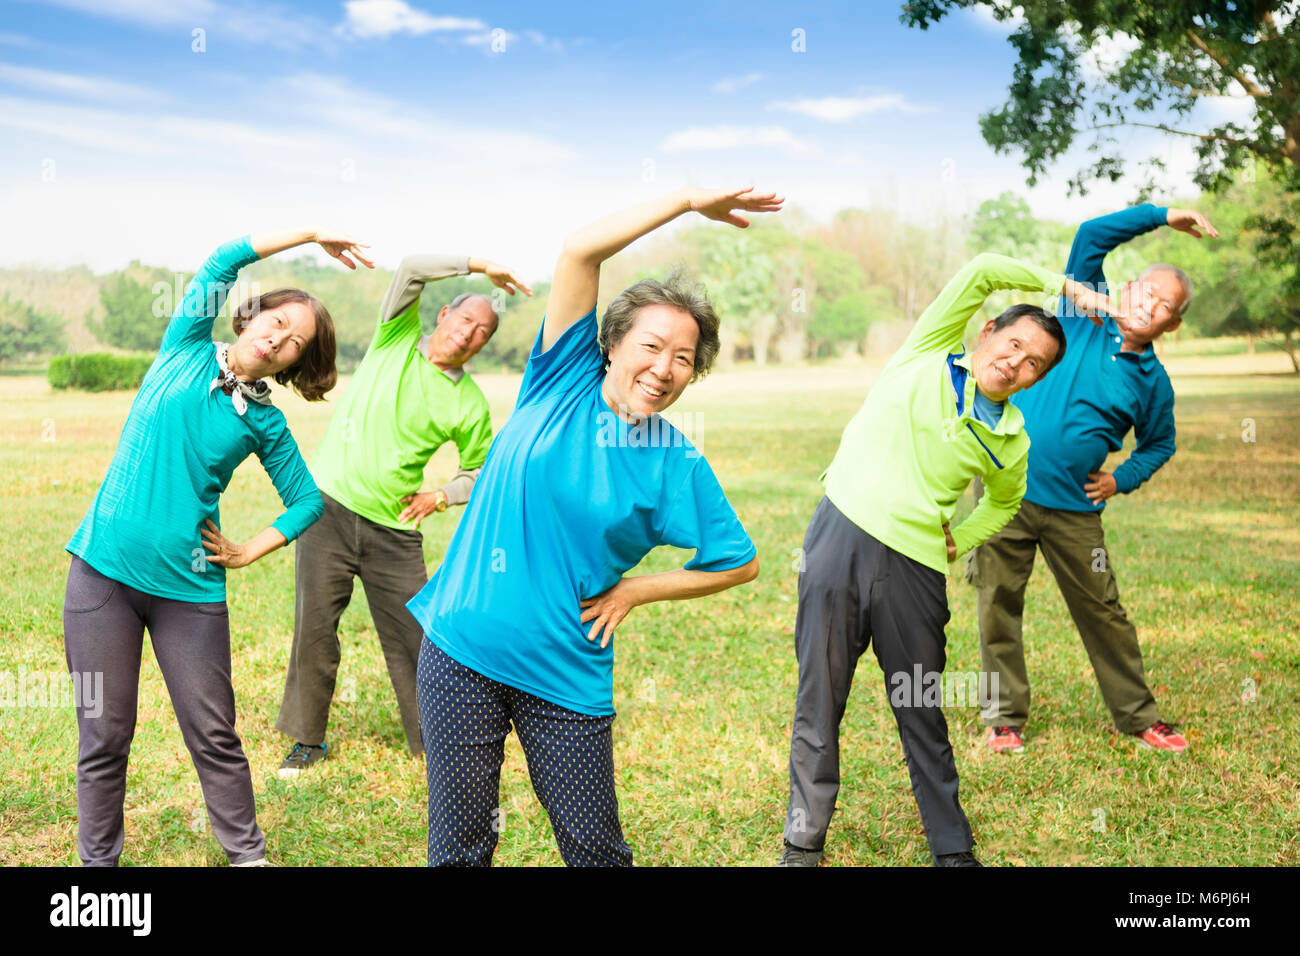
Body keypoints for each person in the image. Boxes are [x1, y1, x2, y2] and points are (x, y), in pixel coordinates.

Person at [405, 186, 778, 866]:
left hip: (565, 670)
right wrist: (688, 201)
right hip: (462, 650)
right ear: (611, 344)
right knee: (459, 849)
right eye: (652, 345)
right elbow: (580, 249)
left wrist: (636, 591)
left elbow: (739, 561)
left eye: (684, 358)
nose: (664, 369)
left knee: (596, 850)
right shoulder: (560, 376)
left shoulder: (674, 460)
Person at [780, 252, 1136, 868]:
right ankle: (801, 845)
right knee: (821, 698)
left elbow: (1006, 501)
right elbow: (982, 270)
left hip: (915, 570)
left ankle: (952, 851)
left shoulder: (1012, 439)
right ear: (988, 331)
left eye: (1034, 363)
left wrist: (959, 540)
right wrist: (1068, 290)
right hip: (840, 538)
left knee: (919, 706)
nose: (1016, 362)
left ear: (1035, 380)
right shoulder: (928, 351)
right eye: (1014, 343)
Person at [63, 227, 373, 866]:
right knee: (103, 736)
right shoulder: (184, 346)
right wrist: (311, 234)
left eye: (296, 343)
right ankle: (98, 872)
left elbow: (309, 501)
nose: (279, 338)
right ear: (254, 314)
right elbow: (221, 260)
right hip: (102, 574)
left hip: (190, 590)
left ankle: (248, 858)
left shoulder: (265, 419)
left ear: (293, 364)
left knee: (214, 735)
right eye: (278, 321)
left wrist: (251, 548)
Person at [971, 204, 1217, 756]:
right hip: (1003, 492)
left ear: (1171, 324)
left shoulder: (1153, 382)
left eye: (1164, 306)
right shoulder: (1081, 317)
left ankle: (1138, 717)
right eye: (1145, 292)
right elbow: (1090, 235)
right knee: (998, 602)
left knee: (1103, 611)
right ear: (1125, 289)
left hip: (1073, 511)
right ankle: (1004, 718)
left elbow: (1160, 443)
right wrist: (1163, 215)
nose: (1149, 306)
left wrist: (1120, 480)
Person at [275, 254, 531, 775]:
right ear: (442, 317)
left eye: (482, 332)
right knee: (316, 629)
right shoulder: (393, 339)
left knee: (418, 638)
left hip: (395, 531)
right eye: (464, 321)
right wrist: (478, 263)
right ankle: (307, 739)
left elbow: (481, 471)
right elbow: (411, 268)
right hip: (327, 505)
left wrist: (440, 496)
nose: (468, 335)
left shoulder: (470, 404)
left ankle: (432, 740)